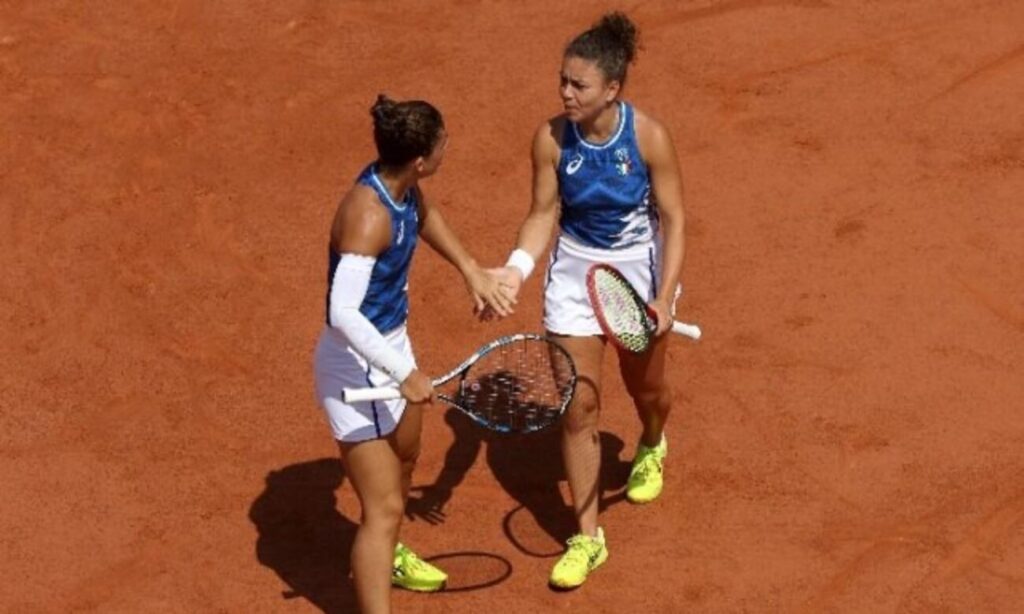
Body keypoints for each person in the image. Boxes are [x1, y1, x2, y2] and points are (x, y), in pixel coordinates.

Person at [496, 12, 687, 589]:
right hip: (575, 277)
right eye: (562, 80)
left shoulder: (648, 136)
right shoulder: (551, 138)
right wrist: (516, 269)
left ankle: (652, 440)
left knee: (647, 388)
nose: (565, 93)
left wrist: (664, 298)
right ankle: (587, 536)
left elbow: (675, 220)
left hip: (638, 276)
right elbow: (541, 214)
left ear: (612, 89)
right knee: (579, 406)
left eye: (578, 85)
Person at [313, 94, 513, 613]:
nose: (450, 145)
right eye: (444, 141)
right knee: (383, 508)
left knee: (404, 459)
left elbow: (424, 215)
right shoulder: (366, 216)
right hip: (354, 367)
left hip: (390, 344)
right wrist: (402, 371)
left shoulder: (402, 186)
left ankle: (390, 556)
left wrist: (471, 269)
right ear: (421, 159)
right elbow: (343, 313)